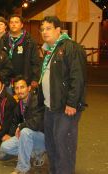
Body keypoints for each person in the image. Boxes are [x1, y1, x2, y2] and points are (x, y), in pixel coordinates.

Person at [40, 16, 87, 174]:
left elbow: (78, 77)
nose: (44, 32)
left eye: (48, 28)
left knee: (63, 146)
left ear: (58, 30)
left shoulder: (71, 47)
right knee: (51, 145)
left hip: (65, 108)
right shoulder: (50, 51)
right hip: (50, 107)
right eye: (42, 29)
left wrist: (72, 103)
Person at [0, 75, 45, 174]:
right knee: (4, 148)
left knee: (25, 132)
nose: (19, 91)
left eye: (22, 87)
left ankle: (22, 168)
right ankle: (34, 154)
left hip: (42, 138)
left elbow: (36, 124)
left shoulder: (37, 101)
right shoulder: (19, 105)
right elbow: (15, 122)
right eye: (16, 88)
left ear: (29, 88)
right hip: (25, 137)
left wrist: (21, 126)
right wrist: (10, 135)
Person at [1, 14, 40, 89]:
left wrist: (35, 78)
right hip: (6, 81)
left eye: (16, 22)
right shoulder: (3, 40)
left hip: (24, 80)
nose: (13, 24)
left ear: (22, 25)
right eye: (11, 22)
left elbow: (35, 61)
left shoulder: (30, 41)